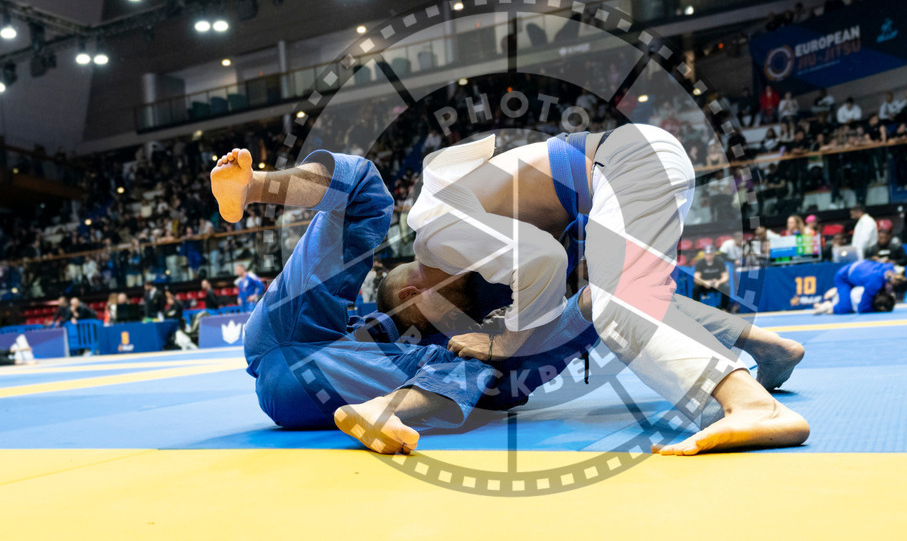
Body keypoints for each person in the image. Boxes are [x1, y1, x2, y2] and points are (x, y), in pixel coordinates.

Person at [212, 145, 806, 457]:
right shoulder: (449, 246)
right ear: (418, 288)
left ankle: (761, 352)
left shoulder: (486, 267)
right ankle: (255, 187)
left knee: (588, 307)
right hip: (323, 347)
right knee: (499, 358)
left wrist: (750, 335)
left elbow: (598, 297)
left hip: (305, 362)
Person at [383, 124, 809, 456]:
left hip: (626, 164)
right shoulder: (470, 252)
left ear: (412, 295)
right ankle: (769, 347)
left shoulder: (432, 236)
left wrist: (507, 344)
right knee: (608, 297)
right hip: (626, 165)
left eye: (433, 319)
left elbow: (543, 259)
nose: (454, 323)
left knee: (616, 303)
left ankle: (754, 406)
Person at [813, 260, 907, 315]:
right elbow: (863, 307)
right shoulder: (874, 283)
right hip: (843, 278)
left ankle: (838, 293)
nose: (890, 292)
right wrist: (876, 309)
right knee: (844, 308)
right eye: (891, 290)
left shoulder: (890, 268)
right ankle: (827, 305)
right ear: (890, 285)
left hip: (854, 270)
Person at [691, 245, 730, 311]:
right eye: (707, 254)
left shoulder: (719, 262)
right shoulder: (700, 263)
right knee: (695, 288)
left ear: (714, 254)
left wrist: (719, 282)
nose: (708, 256)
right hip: (704, 285)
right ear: (704, 254)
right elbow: (696, 278)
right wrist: (704, 282)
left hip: (716, 284)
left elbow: (725, 276)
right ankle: (696, 309)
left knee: (726, 287)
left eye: (710, 254)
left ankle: (724, 308)